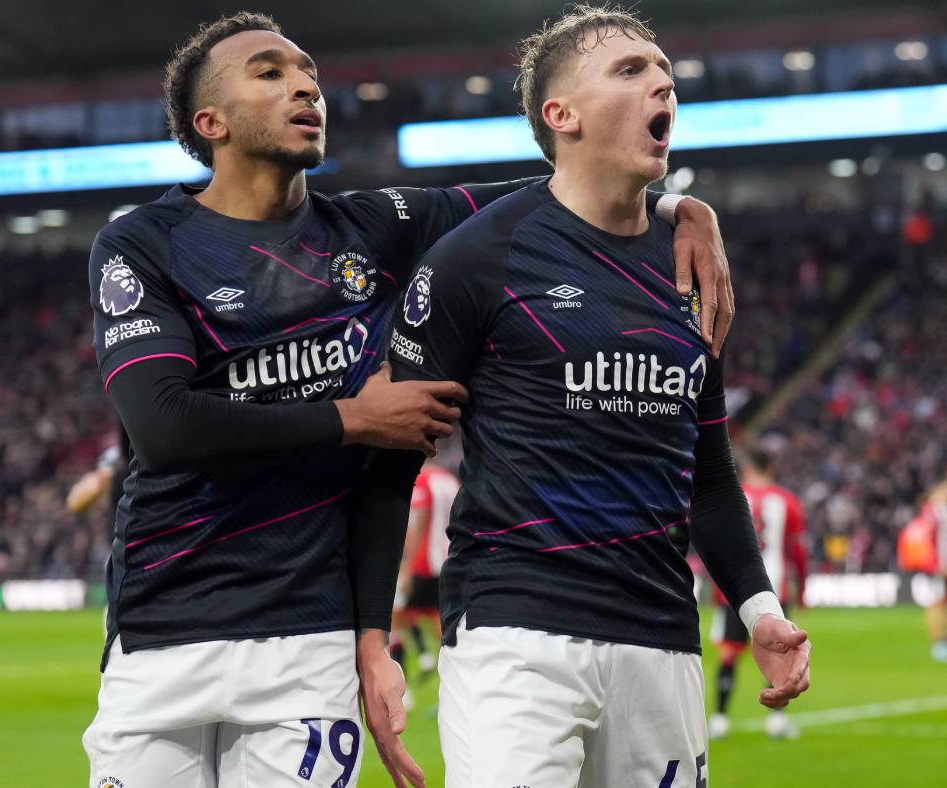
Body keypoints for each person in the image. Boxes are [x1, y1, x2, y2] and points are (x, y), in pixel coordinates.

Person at [81, 11, 737, 788]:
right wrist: (355, 419)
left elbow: (571, 189)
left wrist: (682, 211)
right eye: (271, 73)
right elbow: (163, 426)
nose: (305, 88)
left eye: (309, 74)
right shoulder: (143, 243)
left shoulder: (377, 228)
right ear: (210, 122)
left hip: (310, 638)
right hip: (162, 624)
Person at [366, 7, 811, 785]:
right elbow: (388, 466)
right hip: (515, 634)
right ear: (561, 114)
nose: (662, 84)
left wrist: (759, 609)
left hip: (662, 640)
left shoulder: (692, 269)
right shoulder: (479, 257)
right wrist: (373, 639)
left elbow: (708, 472)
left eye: (665, 72)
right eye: (630, 70)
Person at [709, 448, 808, 740]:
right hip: (774, 588)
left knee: (729, 653)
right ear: (771, 468)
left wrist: (716, 588)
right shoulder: (787, 501)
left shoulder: (732, 495)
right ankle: (776, 720)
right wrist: (802, 589)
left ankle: (719, 719)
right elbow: (797, 550)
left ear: (748, 467)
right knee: (779, 652)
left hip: (734, 589)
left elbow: (716, 545)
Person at [390, 460, 459, 684]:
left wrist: (407, 567)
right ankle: (450, 675)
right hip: (449, 559)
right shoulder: (450, 479)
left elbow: (418, 523)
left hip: (424, 563)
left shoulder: (423, 480)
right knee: (442, 623)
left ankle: (402, 688)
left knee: (393, 617)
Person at [901, 477, 947, 662]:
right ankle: (939, 643)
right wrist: (934, 564)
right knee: (937, 603)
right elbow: (925, 540)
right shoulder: (931, 513)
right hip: (936, 567)